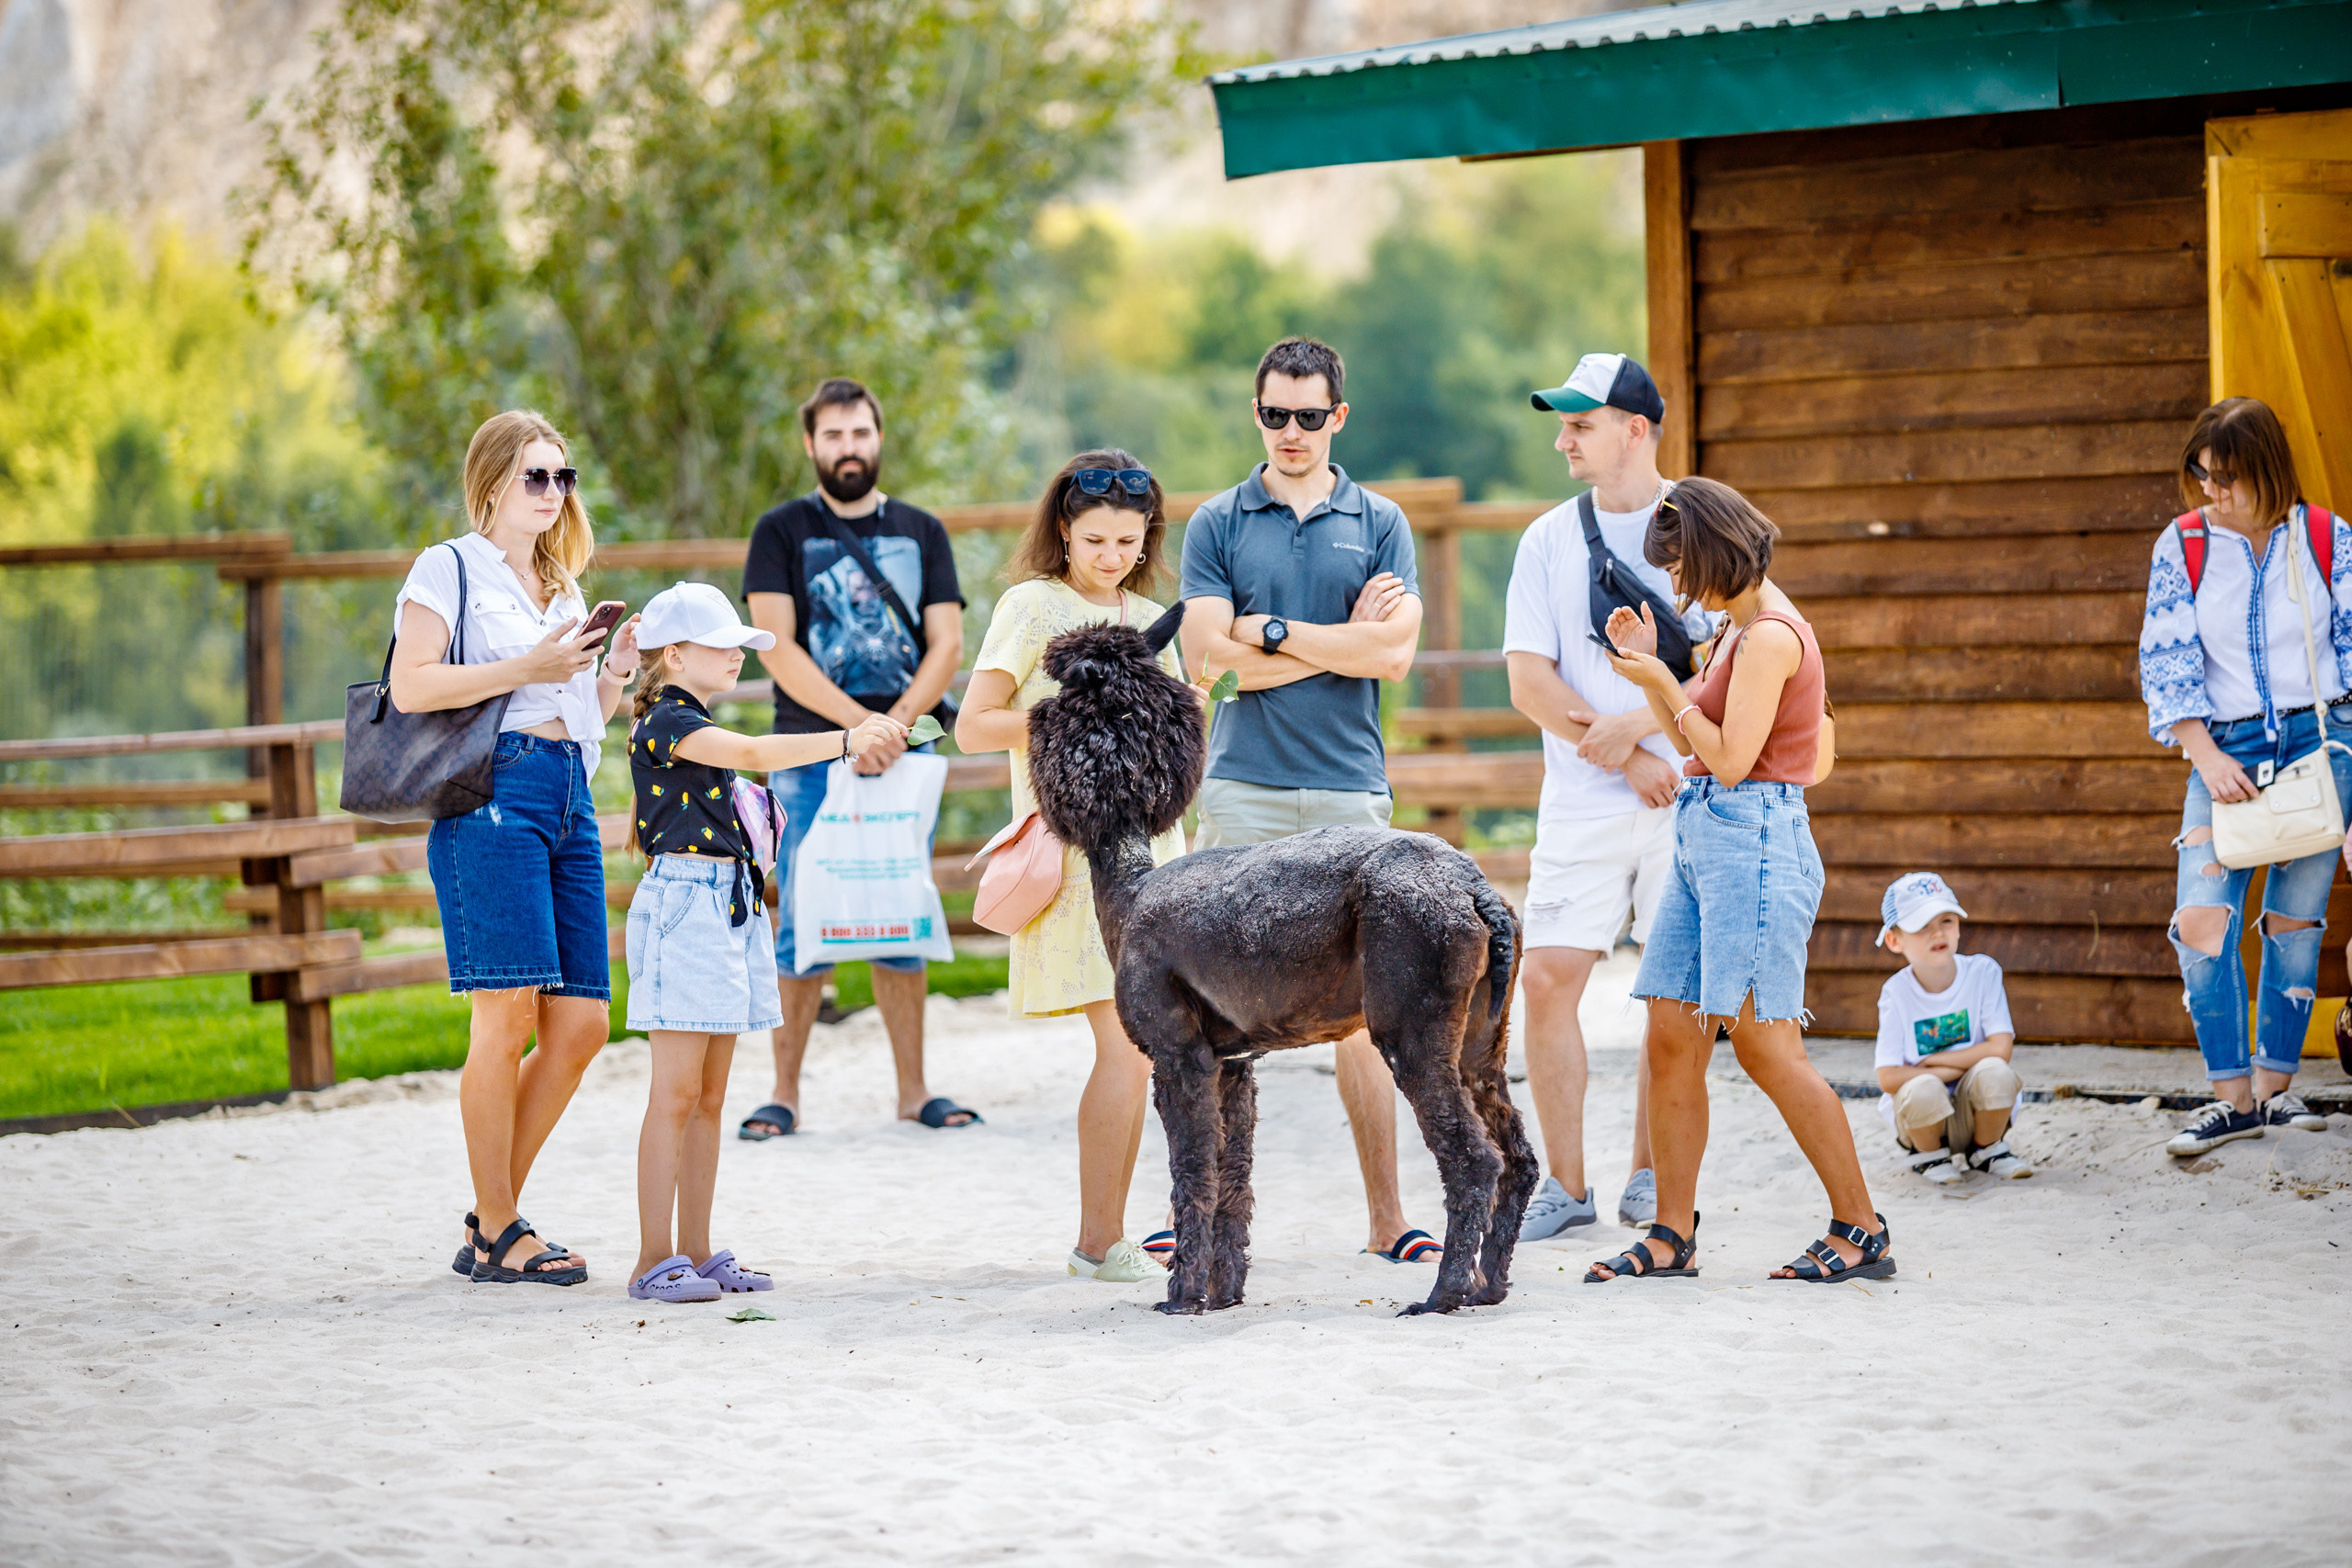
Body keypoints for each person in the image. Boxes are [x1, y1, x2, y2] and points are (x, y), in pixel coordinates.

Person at [1587, 477, 1892, 1284]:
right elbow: (1701, 749)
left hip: (1755, 837)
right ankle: (1670, 1232)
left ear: (1719, 549)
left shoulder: (1772, 638)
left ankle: (1862, 1227)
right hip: (1706, 829)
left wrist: (1657, 682)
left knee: (1765, 1046)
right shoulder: (1734, 626)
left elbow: (1728, 756)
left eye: (1684, 568)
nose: (1680, 586)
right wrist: (1658, 671)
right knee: (1669, 1033)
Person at [1178, 335, 1439, 1265]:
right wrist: (1337, 641)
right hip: (1241, 790)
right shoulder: (1213, 522)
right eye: (1272, 414)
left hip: (1349, 794)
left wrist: (1274, 635)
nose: (1290, 432)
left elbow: (1394, 657)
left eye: (1308, 415)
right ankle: (1202, 1213)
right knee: (1213, 1009)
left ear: (1339, 417)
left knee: (1366, 1019)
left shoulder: (1382, 520)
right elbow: (1205, 660)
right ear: (1256, 414)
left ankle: (1386, 1220)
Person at [389, 409, 639, 1286]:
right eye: (536, 476)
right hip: (494, 793)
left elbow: (573, 716)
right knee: (506, 1014)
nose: (553, 493)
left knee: (581, 1024)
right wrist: (524, 668)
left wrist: (608, 678)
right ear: (492, 481)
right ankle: (499, 1225)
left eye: (563, 477)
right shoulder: (448, 567)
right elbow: (411, 684)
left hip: (568, 791)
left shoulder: (562, 584)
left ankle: (490, 1216)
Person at [620, 582, 906, 1303]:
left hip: (728, 903)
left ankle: (695, 1249)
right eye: (725, 646)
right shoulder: (665, 720)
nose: (738, 657)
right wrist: (845, 739)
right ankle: (653, 1256)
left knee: (711, 1095)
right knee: (676, 1092)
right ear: (677, 654)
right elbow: (753, 747)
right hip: (686, 903)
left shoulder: (692, 722)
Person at [956, 452, 1190, 1282]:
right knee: (1126, 1045)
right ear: (1063, 528)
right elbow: (974, 725)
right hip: (1075, 847)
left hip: (1156, 854)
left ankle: (1115, 1231)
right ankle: (1098, 1240)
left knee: (1152, 1046)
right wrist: (1075, 712)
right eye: (1095, 538)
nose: (1112, 555)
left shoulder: (1156, 615)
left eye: (1129, 539)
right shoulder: (1032, 606)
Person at [739, 377, 980, 1137]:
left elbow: (948, 641)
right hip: (809, 749)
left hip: (906, 752)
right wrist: (855, 730)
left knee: (899, 907)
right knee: (802, 912)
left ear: (879, 439)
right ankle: (784, 1093)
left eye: (861, 433)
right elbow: (776, 647)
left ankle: (914, 1092)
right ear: (812, 445)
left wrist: (897, 726)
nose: (849, 447)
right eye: (834, 436)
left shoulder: (922, 530)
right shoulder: (779, 532)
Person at [1503, 352, 1709, 1238]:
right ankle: (1566, 1180)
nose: (1563, 441)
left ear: (1637, 428)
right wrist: (1625, 746)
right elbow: (1527, 682)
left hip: (1693, 793)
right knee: (1546, 979)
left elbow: (1738, 665)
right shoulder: (1547, 539)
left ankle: (1649, 1171)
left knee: (1674, 995)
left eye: (1580, 425)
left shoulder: (1702, 524)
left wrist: (1646, 731)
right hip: (1585, 797)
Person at [2139, 397, 2339, 1155]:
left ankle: (2275, 1091)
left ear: (2268, 473)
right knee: (2201, 921)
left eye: (2226, 478)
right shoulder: (2183, 545)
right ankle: (2230, 1098)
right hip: (2219, 747)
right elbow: (2166, 659)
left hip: (2322, 747)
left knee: (2294, 925)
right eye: (2201, 474)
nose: (2209, 492)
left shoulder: (2325, 538)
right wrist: (2205, 754)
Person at [1871, 872, 2033, 1183]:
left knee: (1996, 1071)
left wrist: (1933, 1061)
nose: (1938, 934)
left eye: (1946, 920)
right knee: (1923, 1089)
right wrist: (1949, 1071)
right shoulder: (1896, 992)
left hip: (1975, 1111)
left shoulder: (1983, 972)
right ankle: (1930, 1156)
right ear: (1895, 940)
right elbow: (1888, 1077)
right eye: (1922, 926)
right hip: (1923, 1121)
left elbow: (2001, 1049)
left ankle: (1987, 1150)